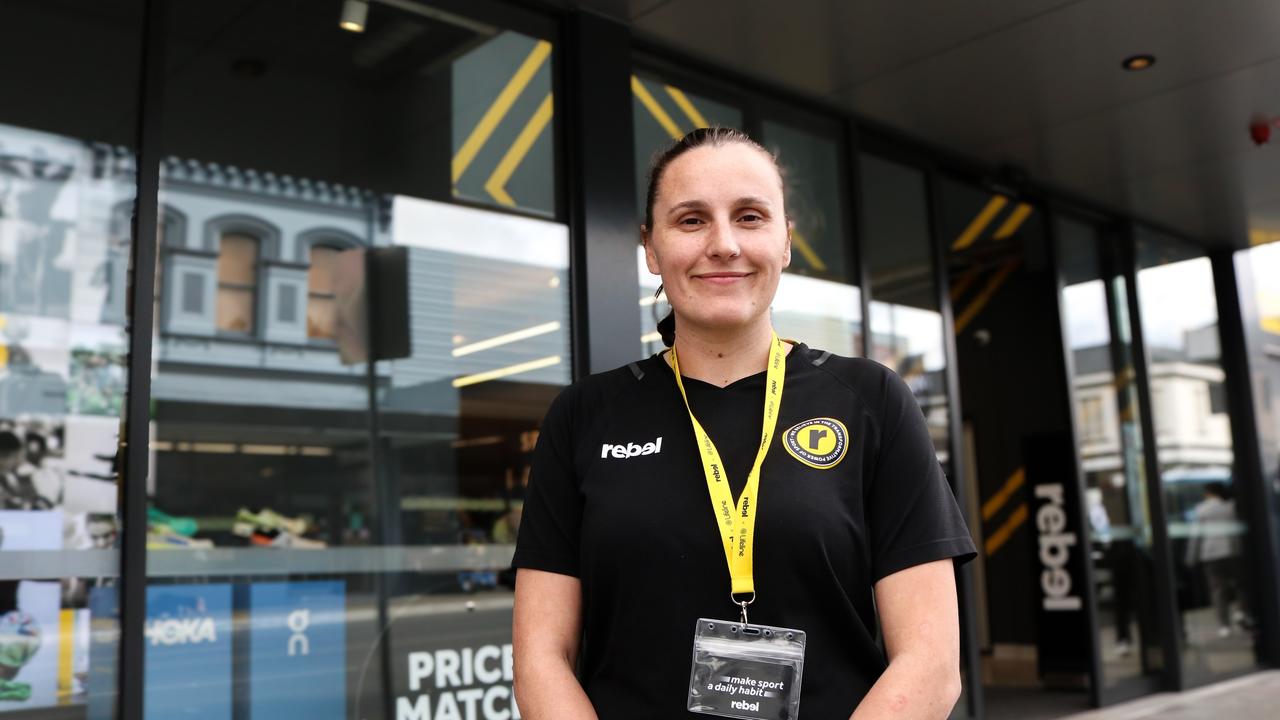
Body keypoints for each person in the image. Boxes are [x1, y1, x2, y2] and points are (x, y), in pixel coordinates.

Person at [512, 127, 976, 719]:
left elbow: (932, 664)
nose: (724, 243)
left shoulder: (872, 401)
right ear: (651, 248)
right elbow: (539, 661)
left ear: (785, 242)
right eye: (691, 220)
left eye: (750, 217)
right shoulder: (583, 416)